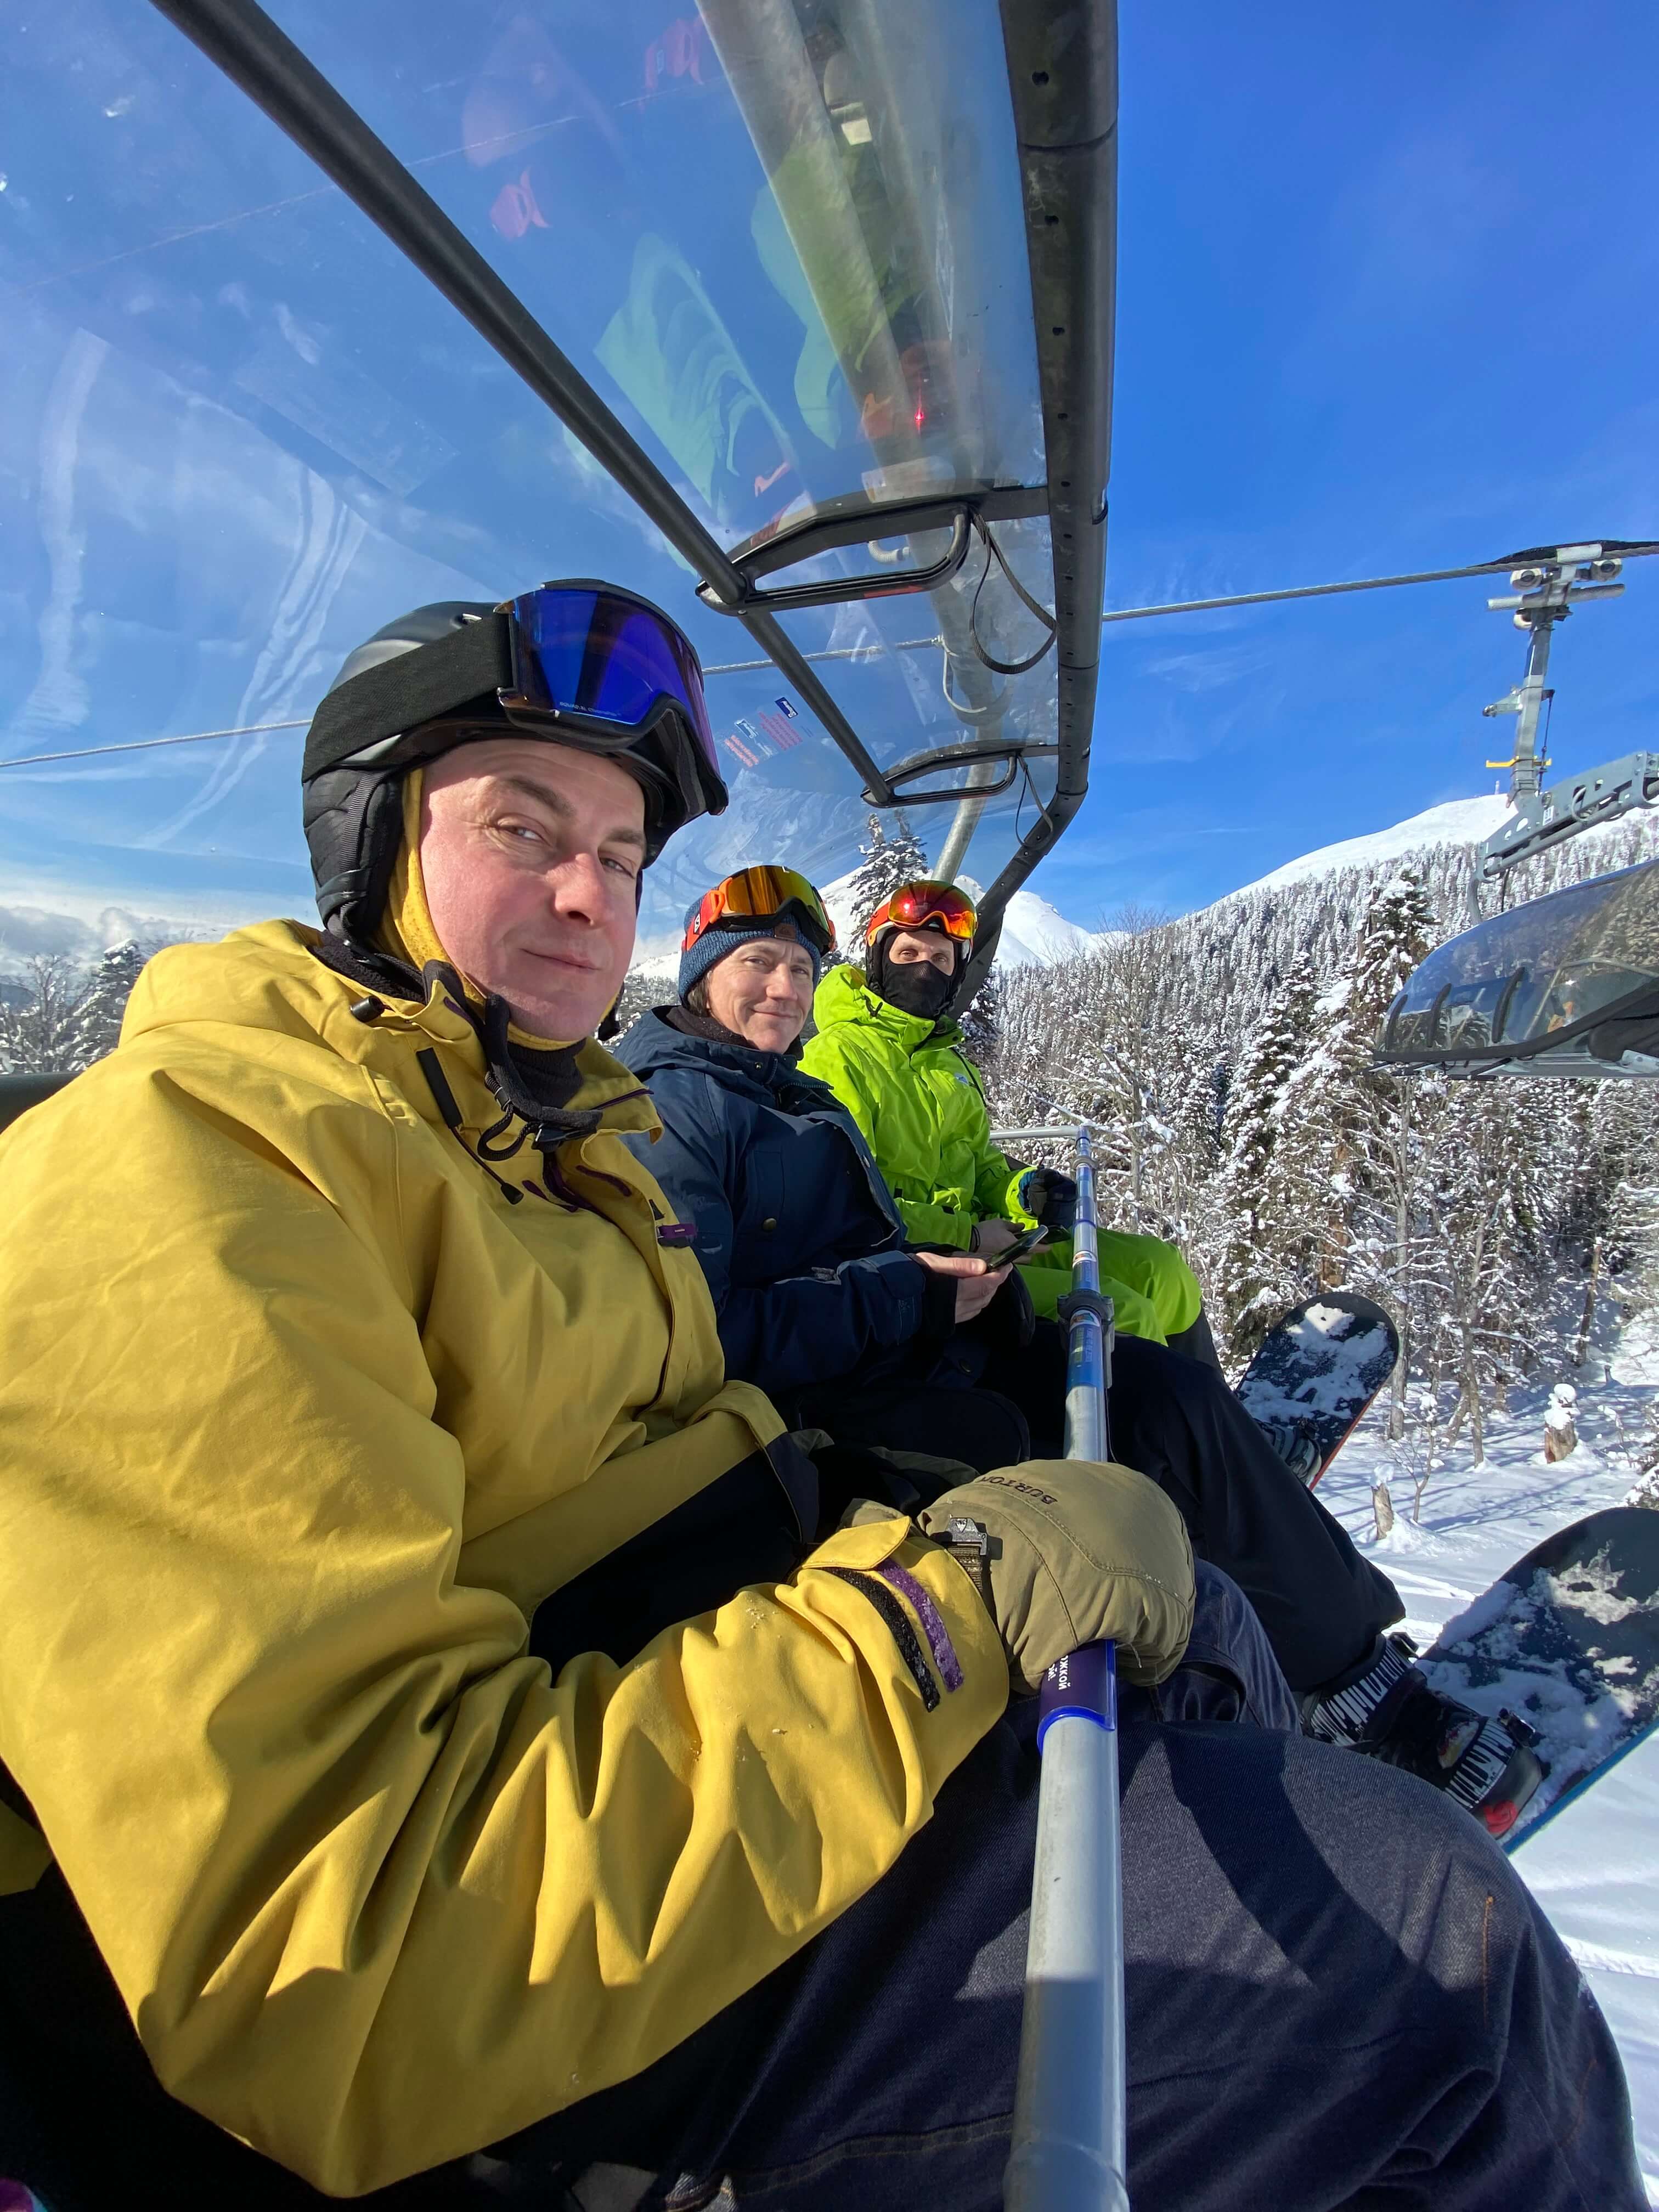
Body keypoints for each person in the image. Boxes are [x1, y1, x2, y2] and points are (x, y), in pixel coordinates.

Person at [0, 593, 1639, 2211]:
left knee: (1190, 1608)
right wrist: (937, 1606)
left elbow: (676, 1429)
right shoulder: (194, 1172)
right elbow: (344, 1945)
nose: (586, 892)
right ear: (372, 844)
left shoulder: (547, 1138)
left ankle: (1281, 1838)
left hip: (686, 1706)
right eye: (521, 827)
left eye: (622, 854)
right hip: (543, 2017)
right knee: (1448, 1970)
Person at [614, 868, 1545, 1832]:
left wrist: (980, 1254)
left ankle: (1353, 1667)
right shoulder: (676, 1110)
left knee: (1167, 1393)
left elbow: (883, 1223)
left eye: (799, 970)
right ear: (701, 973)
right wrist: (914, 1289)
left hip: (914, 1342)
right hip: (834, 1410)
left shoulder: (789, 1087)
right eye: (757, 963)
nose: (782, 988)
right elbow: (705, 1333)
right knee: (1113, 1452)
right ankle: (1292, 1714)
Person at [799, 877, 1222, 1362]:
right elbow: (851, 1203)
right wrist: (971, 1236)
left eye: (940, 960)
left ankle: (1210, 1405)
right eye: (909, 954)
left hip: (985, 1239)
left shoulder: (949, 1064)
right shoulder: (838, 1057)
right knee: (1120, 1311)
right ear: (878, 960)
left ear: (956, 974)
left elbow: (981, 1167)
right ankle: (1163, 1409)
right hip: (921, 1258)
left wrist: (1025, 1193)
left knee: (1161, 1269)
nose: (924, 970)